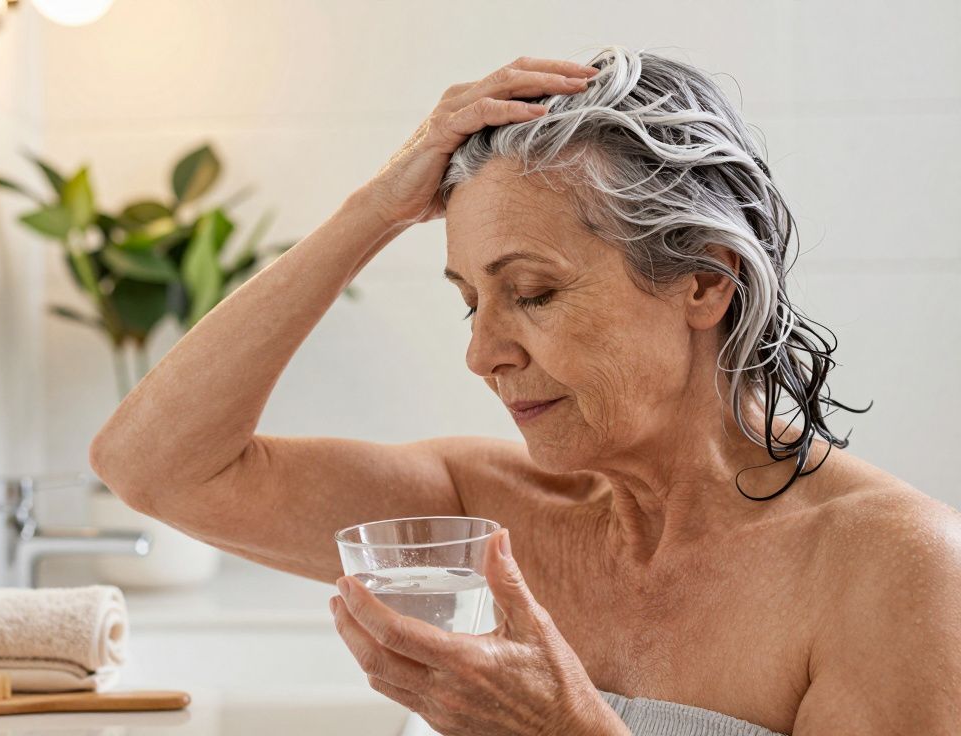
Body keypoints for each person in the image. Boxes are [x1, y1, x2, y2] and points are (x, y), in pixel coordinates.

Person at [89, 45, 961, 735]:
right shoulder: (477, 515)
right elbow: (154, 467)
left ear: (703, 281)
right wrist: (377, 208)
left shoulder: (892, 571)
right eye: (470, 302)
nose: (483, 353)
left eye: (533, 292)